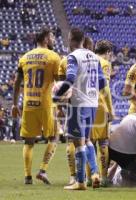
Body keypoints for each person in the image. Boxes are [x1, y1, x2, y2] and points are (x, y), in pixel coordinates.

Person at [53, 28, 106, 190]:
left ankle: (81, 182)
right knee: (88, 140)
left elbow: (69, 78)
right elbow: (103, 82)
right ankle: (95, 173)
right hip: (92, 104)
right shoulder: (94, 57)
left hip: (77, 105)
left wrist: (57, 96)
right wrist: (90, 92)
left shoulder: (73, 57)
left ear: (71, 39)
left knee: (78, 143)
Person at [12, 27, 61, 185]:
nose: (53, 39)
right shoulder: (53, 57)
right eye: (52, 37)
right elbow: (60, 82)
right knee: (54, 137)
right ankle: (42, 170)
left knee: (28, 142)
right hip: (46, 105)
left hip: (28, 104)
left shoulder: (24, 57)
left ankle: (27, 177)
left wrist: (14, 104)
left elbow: (17, 82)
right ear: (46, 38)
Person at [90, 40, 115, 186]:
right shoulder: (105, 63)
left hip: (86, 104)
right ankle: (104, 178)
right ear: (108, 52)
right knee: (103, 142)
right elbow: (105, 89)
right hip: (100, 105)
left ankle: (90, 177)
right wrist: (110, 110)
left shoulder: (88, 60)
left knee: (88, 143)